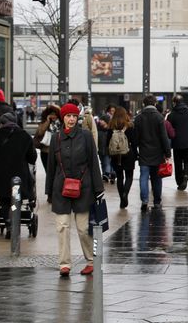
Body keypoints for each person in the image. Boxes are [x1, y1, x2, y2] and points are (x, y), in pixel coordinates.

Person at [46, 102, 104, 277]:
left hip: (84, 188)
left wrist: (98, 188)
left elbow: (94, 163)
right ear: (63, 118)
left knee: (83, 228)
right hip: (61, 189)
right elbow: (51, 166)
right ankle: (64, 264)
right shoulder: (56, 138)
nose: (71, 119)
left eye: (73, 116)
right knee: (62, 226)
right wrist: (48, 191)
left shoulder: (86, 136)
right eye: (68, 116)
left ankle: (91, 261)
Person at [0, 112, 36, 233]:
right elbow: (32, 158)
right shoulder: (24, 136)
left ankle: (7, 219)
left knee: (5, 200)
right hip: (19, 177)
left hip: (1, 176)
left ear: (2, 123)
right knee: (15, 198)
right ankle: (13, 218)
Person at [133, 94, 172, 212]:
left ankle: (144, 200)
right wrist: (168, 153)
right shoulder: (159, 117)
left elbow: (135, 138)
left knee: (144, 176)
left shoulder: (139, 118)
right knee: (156, 178)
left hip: (144, 152)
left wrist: (135, 151)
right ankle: (157, 201)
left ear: (144, 104)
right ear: (155, 104)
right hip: (157, 153)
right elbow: (164, 137)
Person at [109, 106, 137, 209]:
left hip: (116, 156)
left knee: (120, 177)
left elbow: (108, 142)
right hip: (128, 154)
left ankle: (122, 199)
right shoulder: (129, 126)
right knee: (129, 176)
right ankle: (125, 193)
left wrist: (109, 154)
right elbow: (134, 142)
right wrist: (136, 154)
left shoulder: (111, 126)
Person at [167, 95, 188, 191]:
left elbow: (168, 130)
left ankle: (179, 181)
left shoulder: (171, 115)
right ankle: (186, 175)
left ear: (174, 103)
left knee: (178, 163)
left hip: (177, 143)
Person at [33, 105, 61, 172]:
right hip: (46, 152)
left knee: (57, 172)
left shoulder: (61, 124)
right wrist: (47, 121)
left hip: (58, 152)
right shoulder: (44, 122)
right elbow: (40, 133)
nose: (53, 116)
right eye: (51, 114)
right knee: (48, 172)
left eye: (55, 114)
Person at [97, 104, 117, 183]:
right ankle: (109, 173)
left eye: (113, 111)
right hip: (103, 146)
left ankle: (108, 173)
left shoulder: (113, 123)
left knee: (107, 161)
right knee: (105, 160)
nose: (112, 112)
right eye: (111, 111)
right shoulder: (100, 127)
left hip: (110, 146)